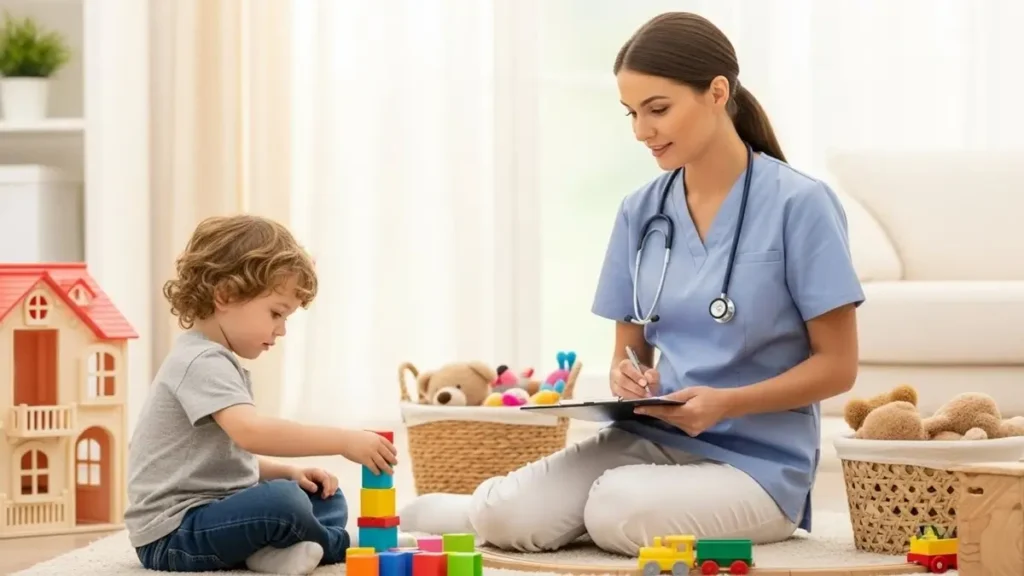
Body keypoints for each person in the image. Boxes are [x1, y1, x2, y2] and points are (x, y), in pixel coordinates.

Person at [399, 11, 864, 556]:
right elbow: (630, 348)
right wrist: (628, 376)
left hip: (758, 464)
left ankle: (522, 506)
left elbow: (838, 366)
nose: (642, 131)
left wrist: (725, 403)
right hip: (652, 437)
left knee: (618, 507)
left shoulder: (801, 205)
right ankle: (492, 506)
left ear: (717, 92)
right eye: (632, 113)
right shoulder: (642, 210)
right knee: (512, 519)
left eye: (658, 109)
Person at [125, 214, 406, 574]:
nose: (282, 330)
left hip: (215, 514)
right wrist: (342, 440)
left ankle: (280, 551)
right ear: (225, 295)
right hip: (174, 535)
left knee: (321, 494)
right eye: (276, 313)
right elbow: (252, 434)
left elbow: (222, 464)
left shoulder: (218, 361)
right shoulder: (201, 360)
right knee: (284, 502)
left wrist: (289, 470)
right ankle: (342, 545)